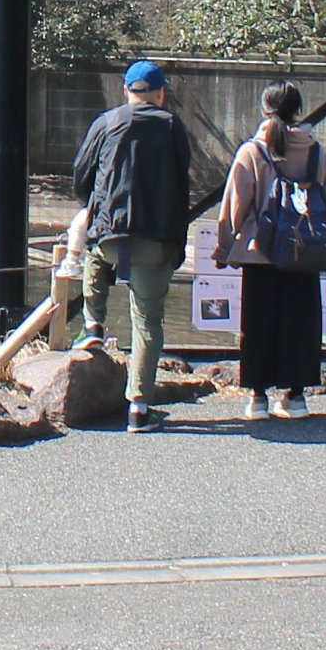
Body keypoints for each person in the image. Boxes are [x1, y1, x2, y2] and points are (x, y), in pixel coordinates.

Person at [68, 60, 193, 432]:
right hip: (155, 239)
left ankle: (93, 324)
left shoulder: (106, 122)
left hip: (112, 235)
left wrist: (96, 207)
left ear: (126, 91)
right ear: (160, 94)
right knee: (148, 320)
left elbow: (81, 175)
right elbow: (182, 182)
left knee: (94, 253)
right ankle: (138, 408)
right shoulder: (171, 125)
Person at [215, 81, 326, 419]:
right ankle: (296, 397)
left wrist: (224, 247)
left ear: (264, 109)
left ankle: (258, 398)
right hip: (304, 252)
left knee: (258, 322)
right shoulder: (316, 151)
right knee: (300, 322)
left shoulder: (253, 151)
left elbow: (235, 204)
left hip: (259, 251)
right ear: (299, 110)